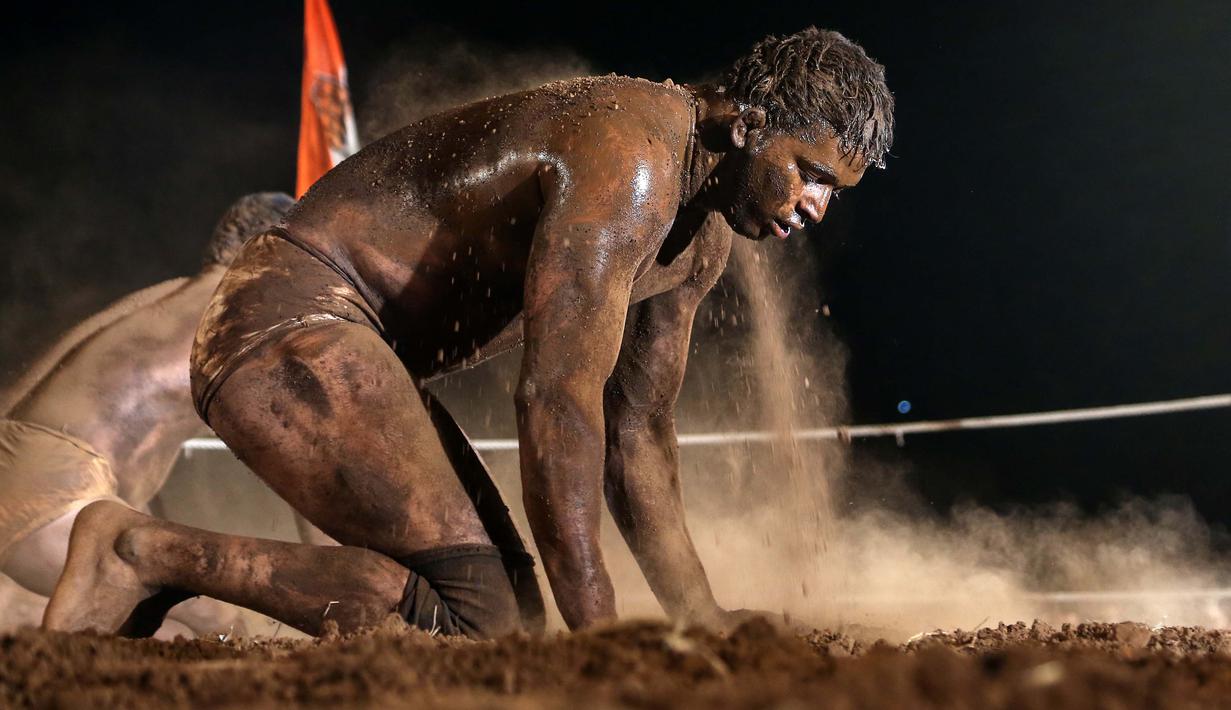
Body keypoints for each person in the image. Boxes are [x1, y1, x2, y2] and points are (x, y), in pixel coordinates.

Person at [45, 27, 894, 640]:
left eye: (834, 191)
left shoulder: (702, 234)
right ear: (746, 127)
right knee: (486, 622)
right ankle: (139, 551)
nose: (814, 207)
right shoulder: (633, 156)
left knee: (503, 621)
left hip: (343, 342)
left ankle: (143, 555)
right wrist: (596, 642)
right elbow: (558, 401)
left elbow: (637, 434)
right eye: (810, 174)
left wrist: (696, 619)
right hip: (284, 320)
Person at [0, 193, 294, 637]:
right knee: (212, 618)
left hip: (28, 464)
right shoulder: (234, 314)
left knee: (164, 623)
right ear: (273, 252)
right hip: (52, 484)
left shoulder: (163, 298)